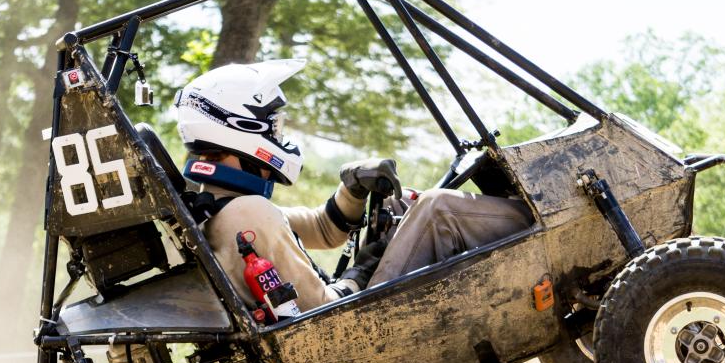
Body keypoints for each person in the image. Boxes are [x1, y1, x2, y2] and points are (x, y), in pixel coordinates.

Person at [174, 59, 533, 311]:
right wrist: (360, 274)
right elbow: (320, 310)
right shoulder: (247, 214)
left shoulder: (224, 206)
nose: (279, 136)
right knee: (437, 209)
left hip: (345, 314)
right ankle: (542, 224)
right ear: (243, 130)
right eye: (274, 126)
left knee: (399, 206)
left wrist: (353, 189)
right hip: (352, 325)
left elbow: (322, 230)